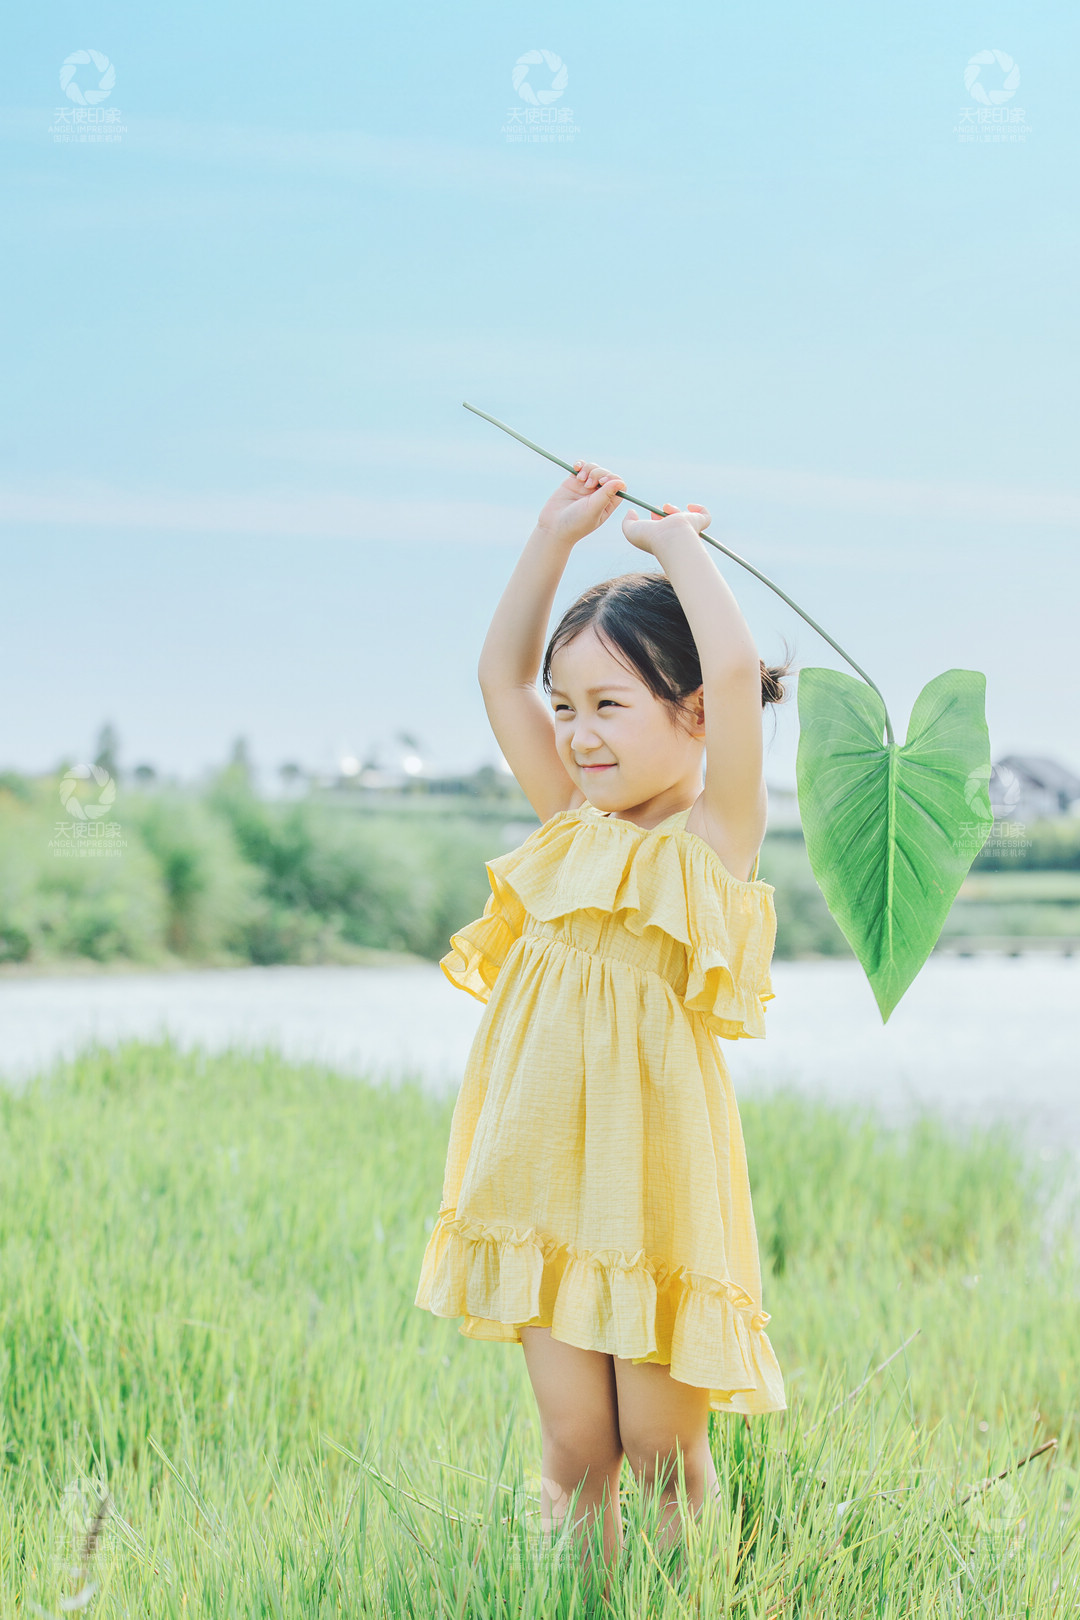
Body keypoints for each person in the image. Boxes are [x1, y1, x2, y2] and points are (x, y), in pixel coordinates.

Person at [414, 457, 794, 1587]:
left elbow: (732, 665)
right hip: (537, 1178)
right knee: (577, 1449)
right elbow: (498, 677)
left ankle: (690, 1603)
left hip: (657, 1191)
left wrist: (678, 545)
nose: (578, 734)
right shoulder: (569, 824)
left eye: (608, 707)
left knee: (661, 1449)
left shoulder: (710, 843)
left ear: (691, 716)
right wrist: (552, 540)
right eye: (569, 707)